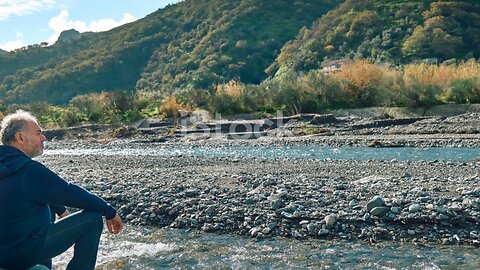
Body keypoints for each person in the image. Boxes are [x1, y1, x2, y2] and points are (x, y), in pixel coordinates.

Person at [0, 110, 123, 270]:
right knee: (92, 219)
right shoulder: (29, 170)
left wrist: (61, 210)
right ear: (20, 138)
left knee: (47, 207)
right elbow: (68, 192)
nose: (43, 138)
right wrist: (109, 212)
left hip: (5, 251)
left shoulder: (7, 165)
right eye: (38, 133)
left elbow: (29, 192)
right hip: (19, 254)